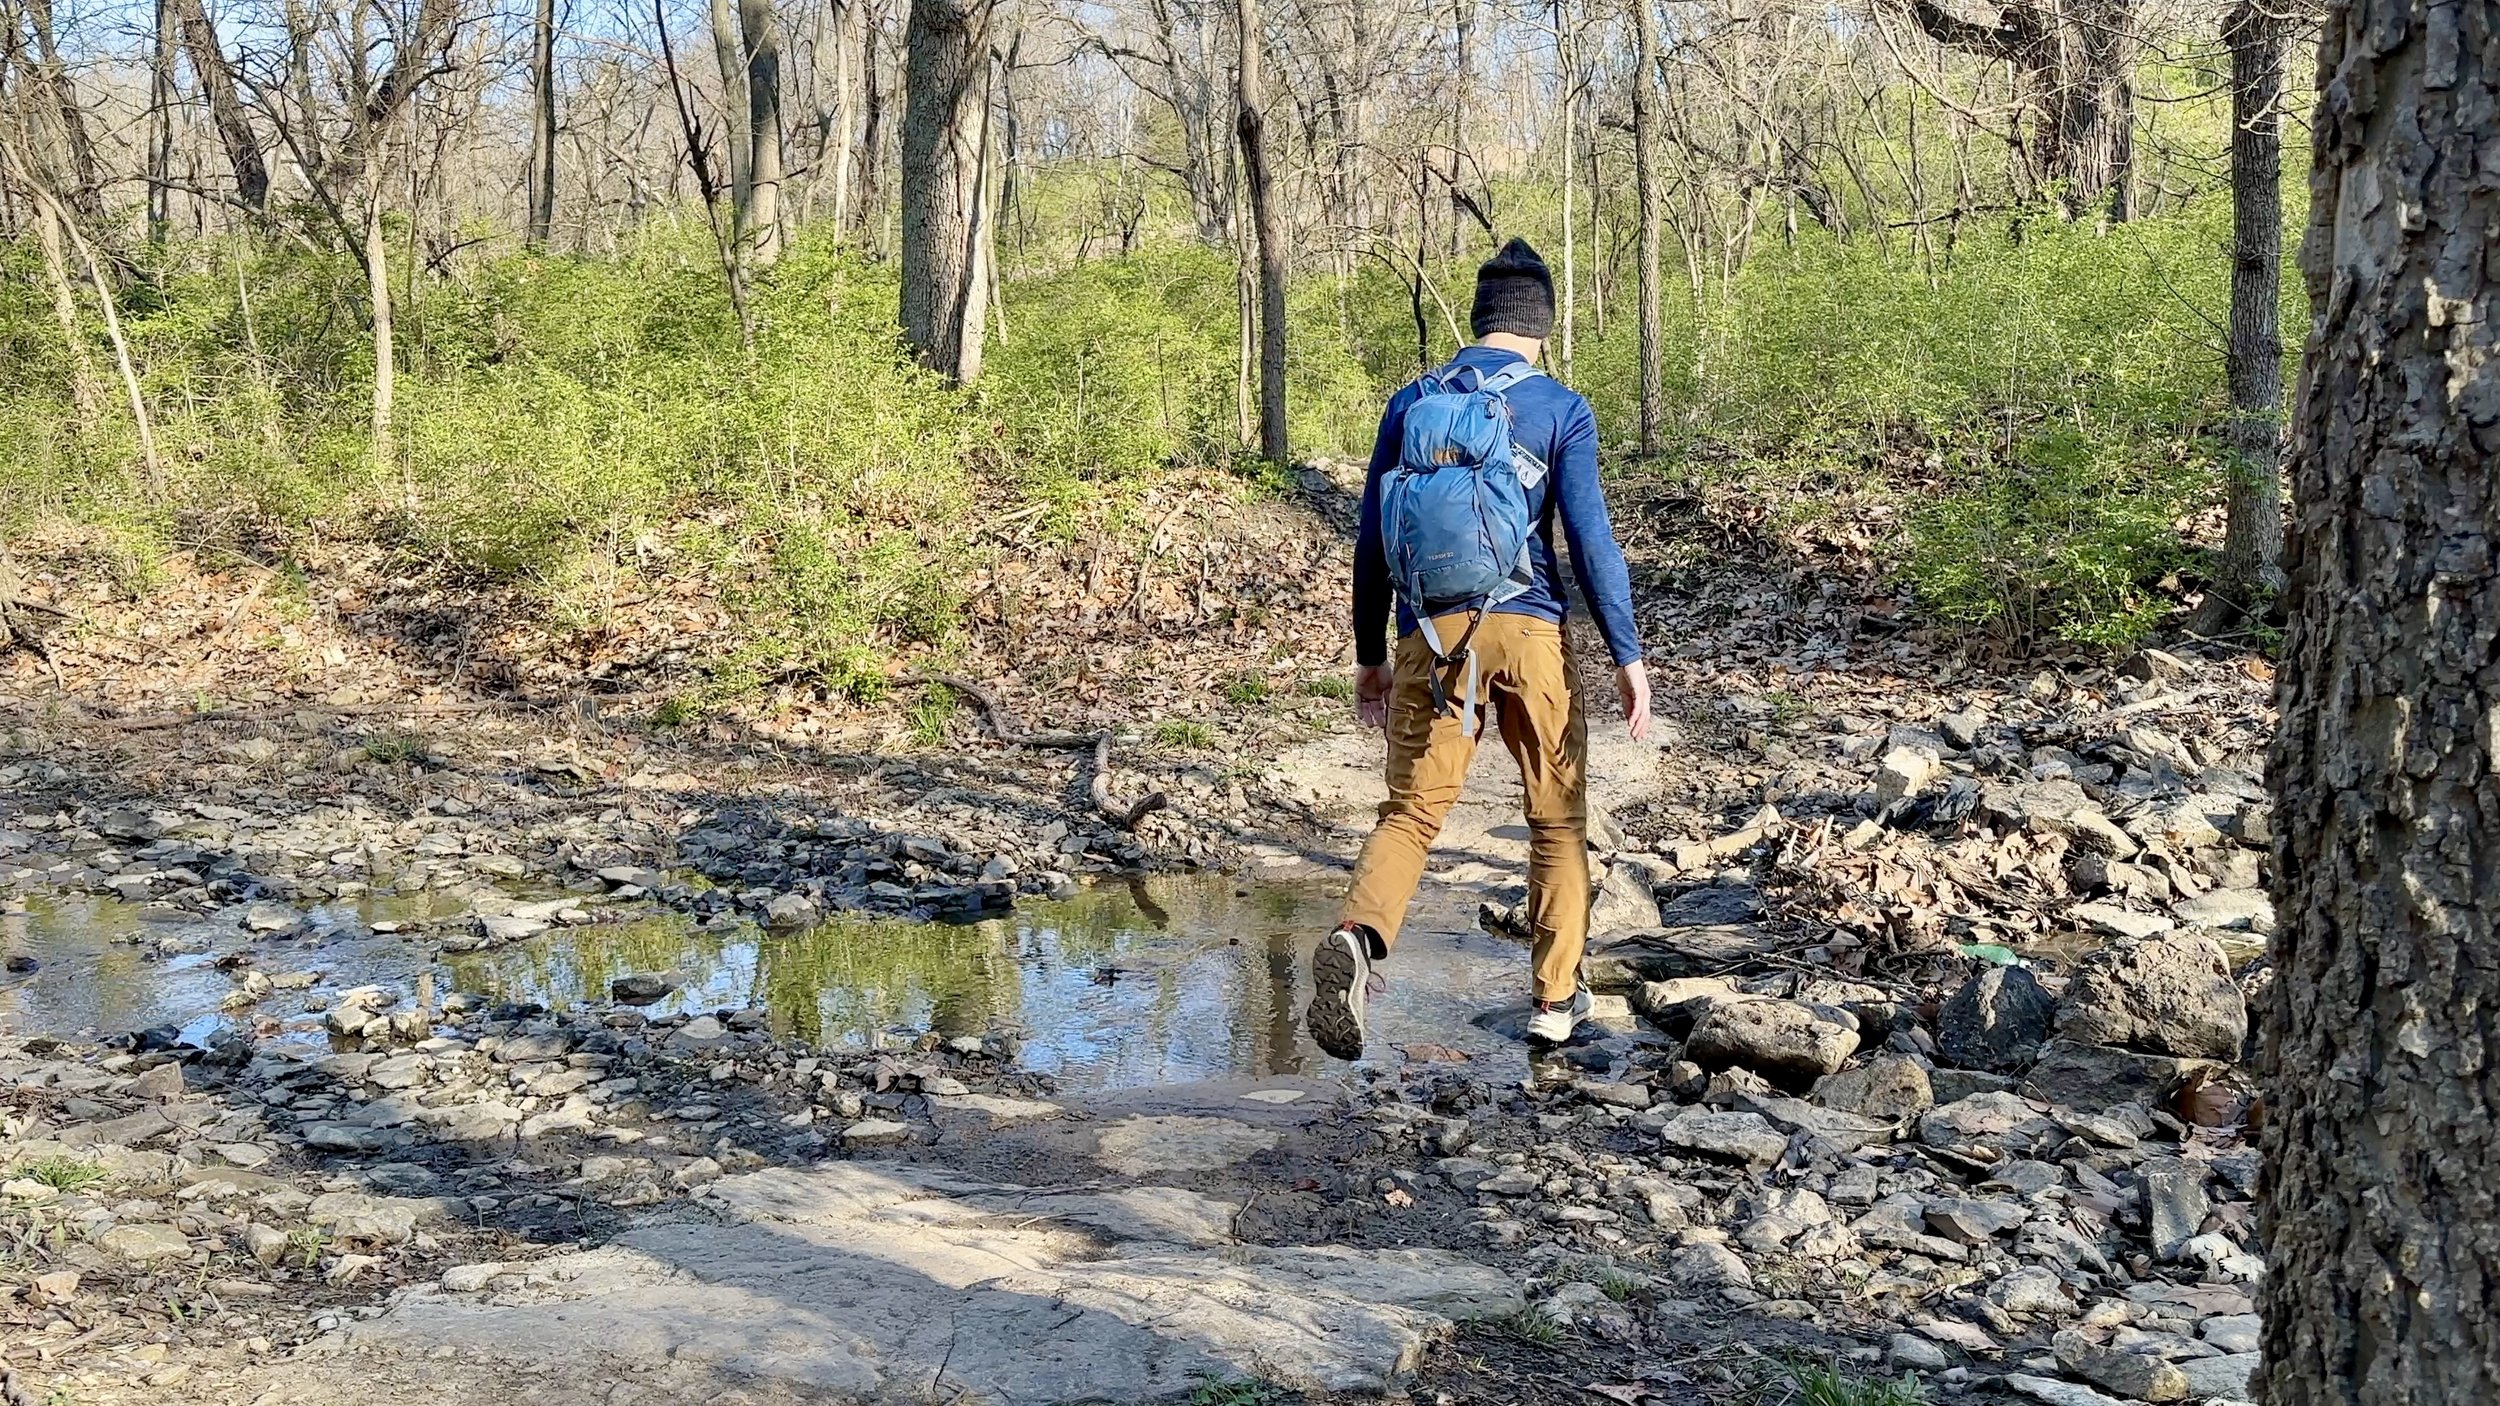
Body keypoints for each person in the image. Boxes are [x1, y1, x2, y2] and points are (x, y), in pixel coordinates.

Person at [1306, 236, 1649, 1060]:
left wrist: (1369, 654)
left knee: (1413, 811)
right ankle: (1554, 1001)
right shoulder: (1559, 406)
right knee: (1557, 821)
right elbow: (1590, 539)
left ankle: (1358, 936)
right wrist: (1626, 654)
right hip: (1527, 631)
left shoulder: (1412, 399)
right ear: (1542, 327)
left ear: (1478, 319)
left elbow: (1370, 542)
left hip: (1429, 634)